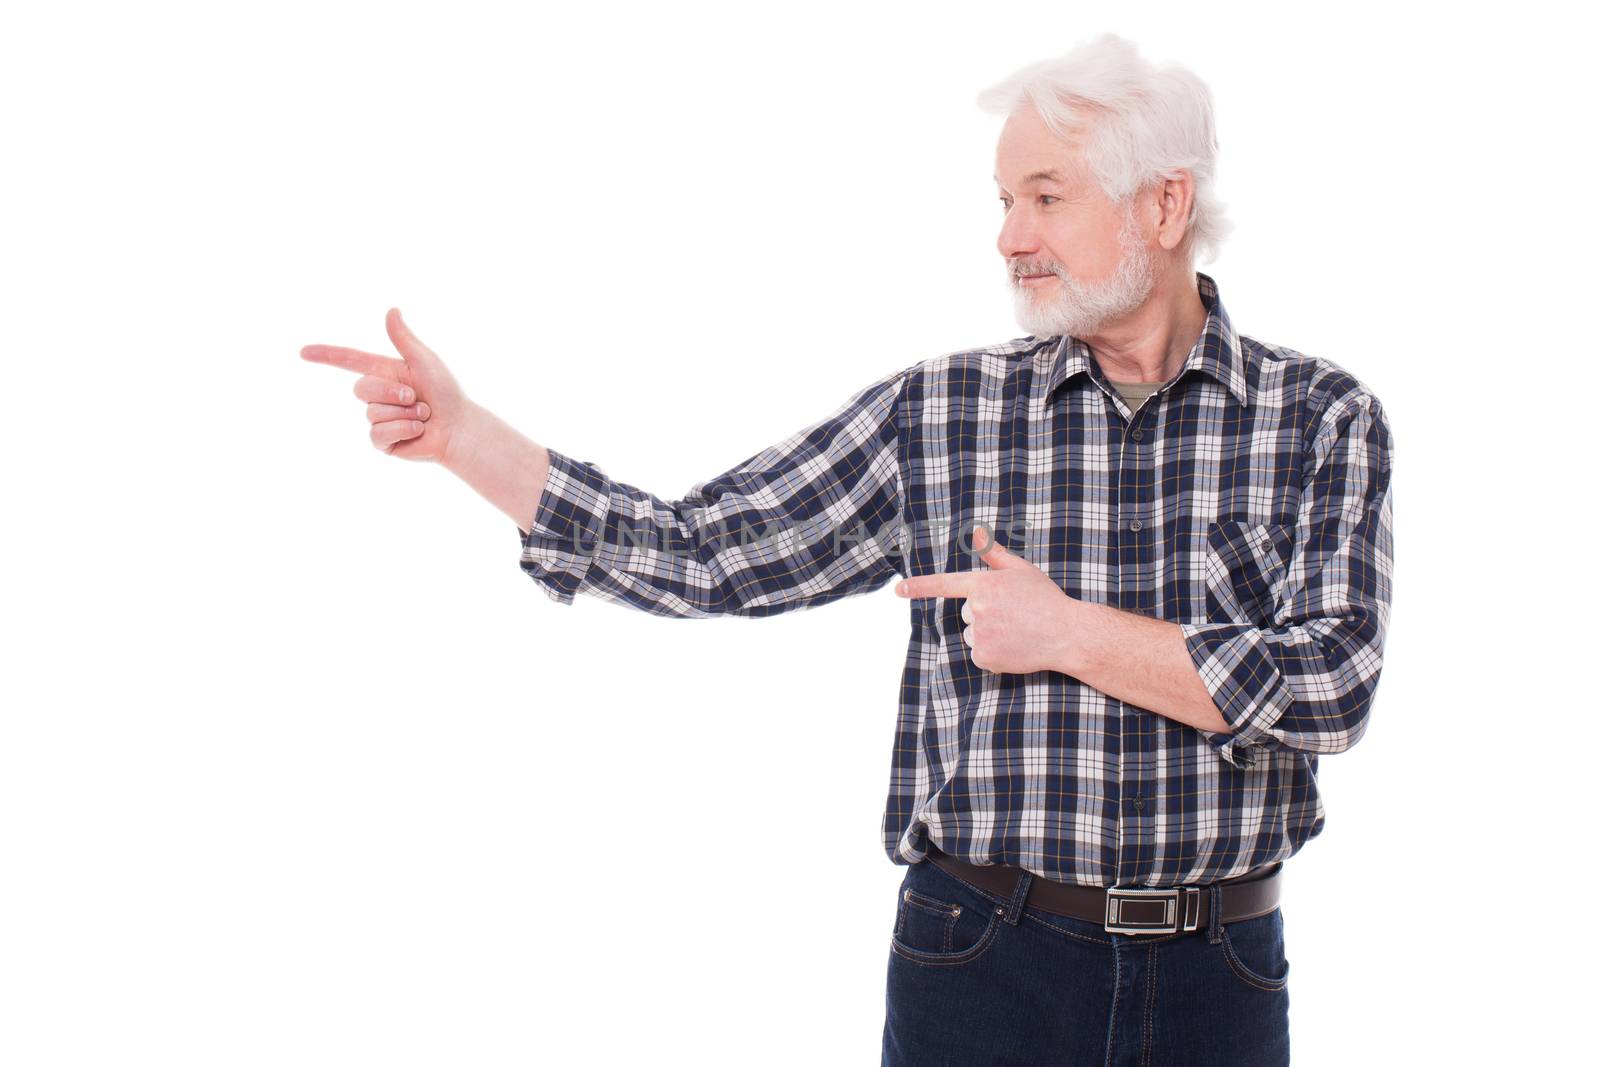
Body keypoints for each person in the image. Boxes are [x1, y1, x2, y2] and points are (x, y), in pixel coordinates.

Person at [300, 31, 1393, 1067]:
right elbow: (706, 549)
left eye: (1045, 196)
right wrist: (467, 440)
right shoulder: (944, 412)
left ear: (1164, 204)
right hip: (984, 961)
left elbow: (1330, 686)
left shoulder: (1319, 417)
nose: (1009, 235)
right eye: (1005, 200)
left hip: (1222, 976)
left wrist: (1065, 632)